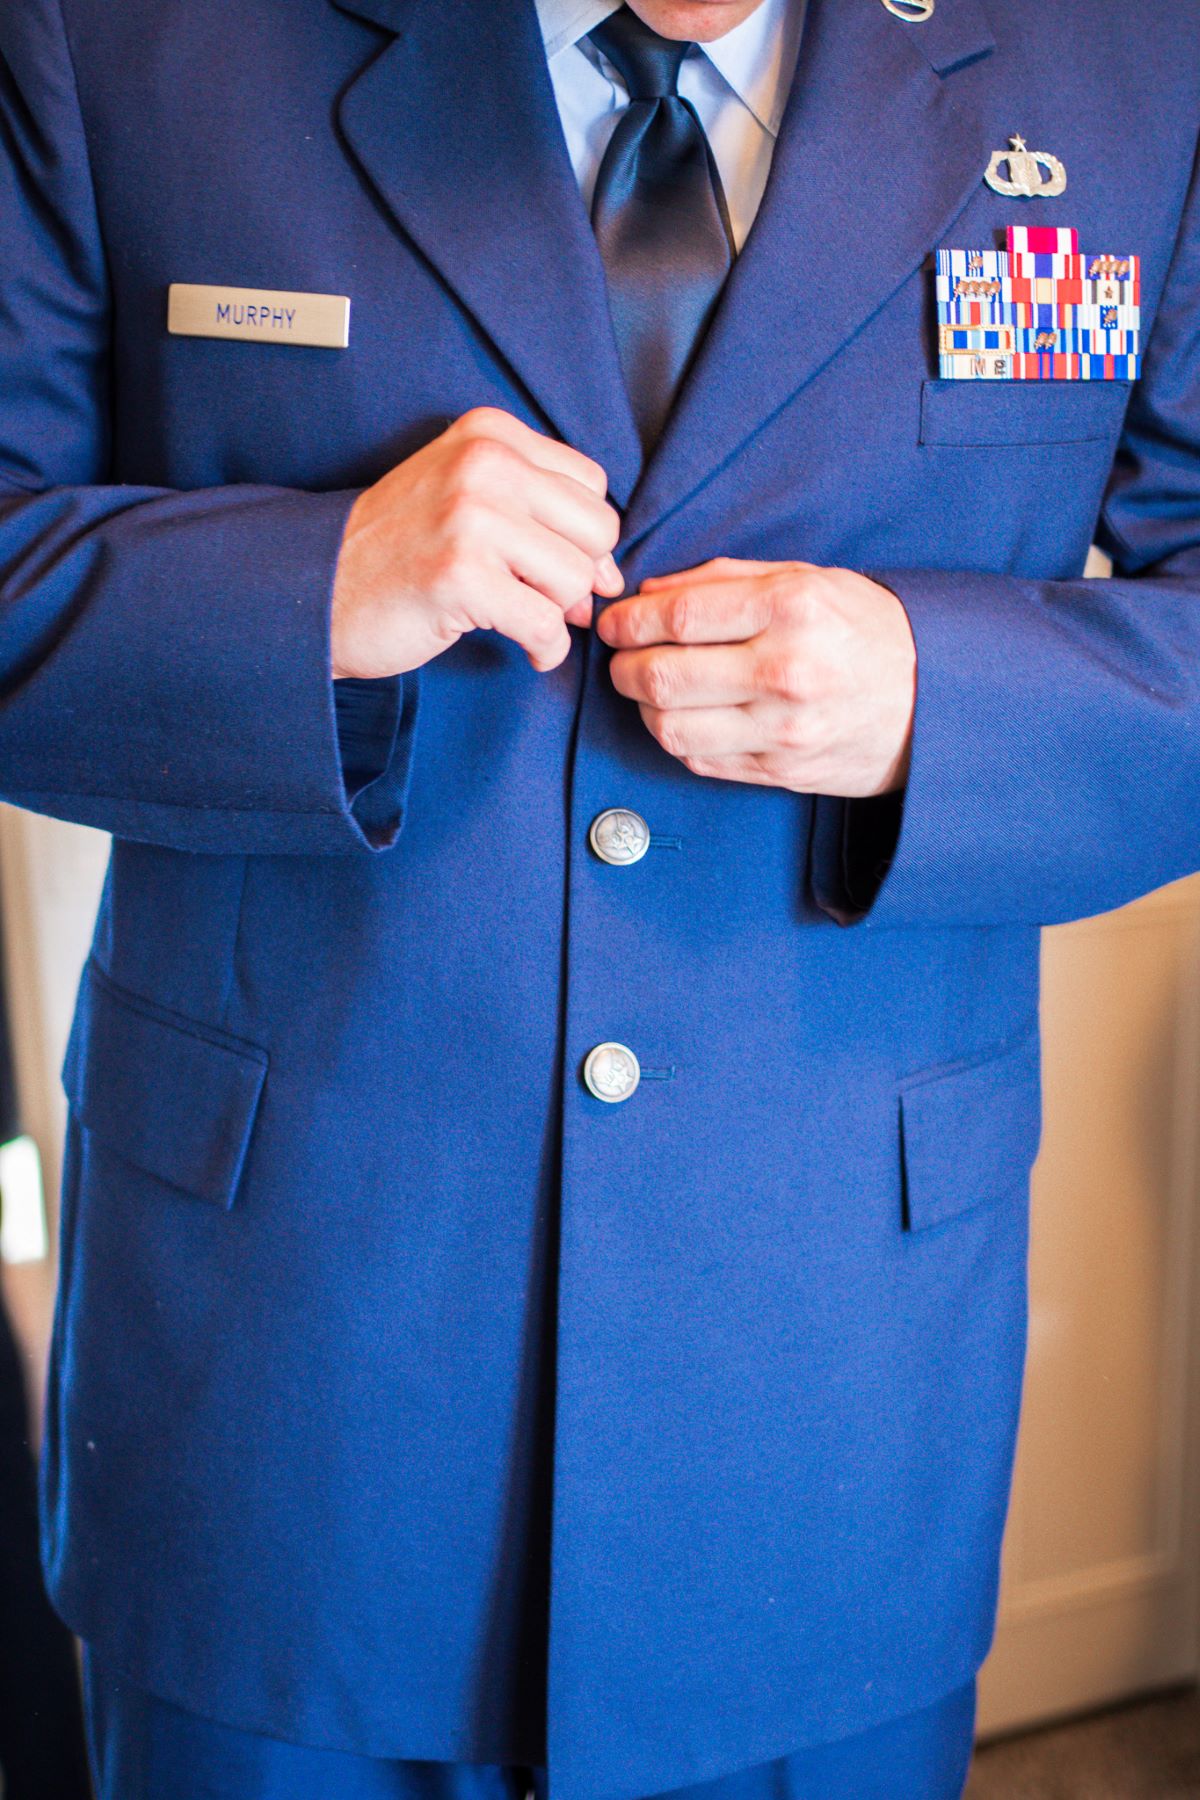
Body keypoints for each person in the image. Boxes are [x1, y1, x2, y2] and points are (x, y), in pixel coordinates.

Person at [1, 0, 1198, 1794]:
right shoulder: (116, 30)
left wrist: (935, 704)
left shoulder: (1144, 51)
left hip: (825, 1408)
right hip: (284, 1397)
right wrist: (310, 587)